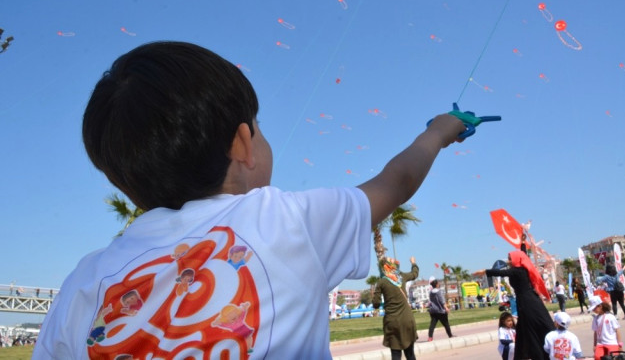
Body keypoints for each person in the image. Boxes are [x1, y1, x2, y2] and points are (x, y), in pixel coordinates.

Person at [32, 41, 467, 359]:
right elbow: (398, 180)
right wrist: (440, 131)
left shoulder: (83, 283)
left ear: (123, 185)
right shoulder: (287, 221)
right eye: (257, 124)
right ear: (244, 144)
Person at [485, 250, 555, 360]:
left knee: (533, 327)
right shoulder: (521, 269)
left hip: (528, 302)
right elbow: (523, 254)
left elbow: (501, 273)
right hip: (524, 301)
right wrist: (522, 243)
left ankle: (546, 353)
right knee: (525, 329)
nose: (508, 261)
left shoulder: (518, 271)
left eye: (510, 258)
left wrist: (484, 272)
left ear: (516, 259)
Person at [372, 256, 419, 360]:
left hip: (392, 322)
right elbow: (414, 274)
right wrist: (413, 263)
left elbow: (376, 303)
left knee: (396, 354)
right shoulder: (401, 276)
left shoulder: (381, 282)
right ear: (390, 265)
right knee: (410, 353)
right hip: (407, 319)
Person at [589, 295, 623, 360]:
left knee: (612, 357)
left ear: (600, 306)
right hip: (600, 344)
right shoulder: (595, 319)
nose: (593, 310)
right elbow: (595, 332)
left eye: (594, 308)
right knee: (597, 357)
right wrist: (594, 345)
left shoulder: (610, 317)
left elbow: (617, 330)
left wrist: (620, 344)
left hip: (611, 343)